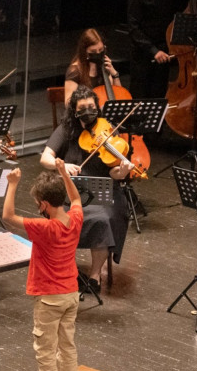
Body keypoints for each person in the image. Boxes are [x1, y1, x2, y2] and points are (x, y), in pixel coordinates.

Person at [2, 160, 82, 371]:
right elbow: (76, 199)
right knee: (67, 346)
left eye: (38, 202)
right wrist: (63, 173)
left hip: (50, 299)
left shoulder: (44, 227)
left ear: (44, 204)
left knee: (45, 351)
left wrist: (12, 184)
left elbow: (8, 216)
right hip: (71, 294)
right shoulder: (75, 218)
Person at [39, 85, 131, 292]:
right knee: (63, 217)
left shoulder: (108, 129)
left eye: (92, 107)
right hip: (71, 191)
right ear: (74, 111)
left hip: (104, 192)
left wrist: (122, 171)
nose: (88, 111)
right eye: (82, 108)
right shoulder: (67, 129)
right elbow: (45, 158)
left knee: (104, 219)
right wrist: (62, 166)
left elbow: (114, 172)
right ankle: (66, 270)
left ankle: (94, 276)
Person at [126, 0, 197, 99]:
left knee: (160, 94)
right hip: (143, 53)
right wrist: (154, 51)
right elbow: (133, 28)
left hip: (164, 47)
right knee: (141, 96)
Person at [63, 28, 122, 105]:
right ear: (84, 51)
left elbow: (119, 95)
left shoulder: (103, 64)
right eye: (93, 51)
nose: (98, 53)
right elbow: (68, 103)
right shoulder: (74, 71)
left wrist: (114, 74)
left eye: (101, 50)